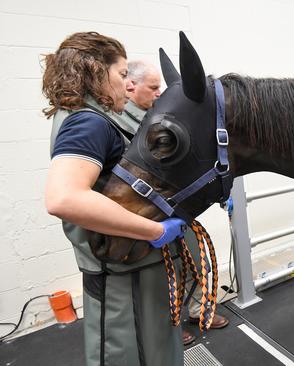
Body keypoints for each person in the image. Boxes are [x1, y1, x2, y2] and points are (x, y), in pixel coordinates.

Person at [42, 32, 186, 366]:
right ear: (95, 71)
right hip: (125, 275)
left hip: (133, 269)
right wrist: (154, 231)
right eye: (122, 75)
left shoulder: (89, 118)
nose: (127, 86)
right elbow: (64, 198)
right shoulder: (89, 124)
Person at [122, 59, 230, 346]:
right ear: (131, 86)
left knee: (197, 260)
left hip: (175, 208)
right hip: (151, 210)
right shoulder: (128, 120)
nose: (159, 93)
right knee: (166, 272)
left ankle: (198, 310)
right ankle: (172, 324)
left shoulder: (156, 113)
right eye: (154, 87)